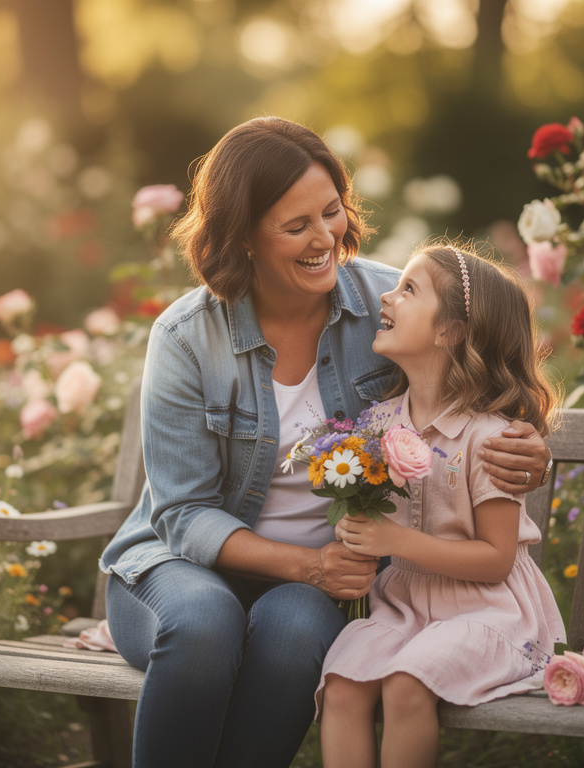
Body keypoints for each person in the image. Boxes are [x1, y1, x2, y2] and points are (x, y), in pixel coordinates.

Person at [97, 117, 553, 768]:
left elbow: (485, 372)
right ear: (243, 237)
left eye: (332, 212)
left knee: (293, 635)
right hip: (179, 568)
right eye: (296, 226)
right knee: (205, 626)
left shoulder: (389, 306)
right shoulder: (187, 338)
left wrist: (528, 445)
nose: (324, 240)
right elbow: (184, 515)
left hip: (311, 588)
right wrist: (309, 565)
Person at [317, 243, 566, 768]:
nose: (388, 297)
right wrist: (353, 527)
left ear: (450, 330)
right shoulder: (378, 424)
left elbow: (496, 559)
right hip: (405, 607)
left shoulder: (490, 438)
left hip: (488, 611)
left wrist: (394, 540)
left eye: (409, 289)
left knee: (406, 685)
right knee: (341, 685)